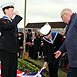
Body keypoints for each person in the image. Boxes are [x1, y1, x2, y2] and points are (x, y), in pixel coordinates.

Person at [0, 3, 22, 77]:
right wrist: (18, 16)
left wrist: (17, 50)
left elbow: (15, 37)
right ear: (5, 10)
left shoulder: (13, 21)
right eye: (11, 10)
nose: (13, 12)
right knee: (5, 70)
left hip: (13, 50)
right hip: (5, 50)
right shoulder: (2, 21)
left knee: (13, 70)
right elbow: (10, 26)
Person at [54, 8, 77, 77]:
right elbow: (68, 39)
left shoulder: (76, 19)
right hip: (73, 62)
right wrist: (61, 50)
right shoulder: (69, 25)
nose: (63, 21)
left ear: (65, 15)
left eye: (62, 18)